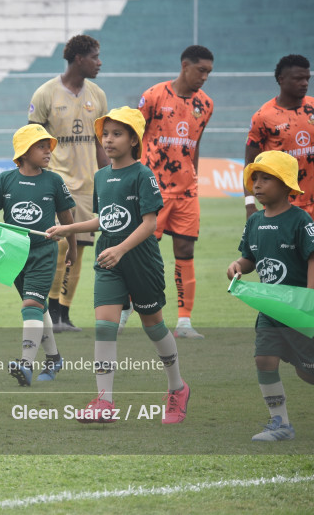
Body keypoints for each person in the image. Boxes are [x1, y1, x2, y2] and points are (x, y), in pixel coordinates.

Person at [46, 107, 190, 425]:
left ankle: (177, 389)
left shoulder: (142, 175)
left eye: (117, 134)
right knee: (104, 327)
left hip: (141, 261)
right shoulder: (101, 176)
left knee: (154, 328)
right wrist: (68, 228)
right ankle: (105, 402)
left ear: (134, 140)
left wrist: (122, 250)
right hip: (109, 260)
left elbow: (150, 223)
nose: (108, 140)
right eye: (105, 134)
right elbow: (105, 219)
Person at [0, 124, 76, 386]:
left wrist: (73, 250)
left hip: (44, 254)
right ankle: (53, 358)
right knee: (38, 307)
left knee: (30, 305)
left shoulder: (53, 181)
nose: (47, 151)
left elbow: (68, 220)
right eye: (40, 146)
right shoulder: (6, 179)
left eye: (48, 147)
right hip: (15, 253)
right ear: (24, 151)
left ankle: (25, 364)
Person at [125, 46, 214, 339]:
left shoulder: (206, 104)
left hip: (187, 191)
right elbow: (134, 136)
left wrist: (196, 176)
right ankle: (126, 309)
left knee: (186, 250)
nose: (204, 77)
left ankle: (185, 322)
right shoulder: (153, 96)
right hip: (154, 189)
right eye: (201, 70)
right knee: (143, 252)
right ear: (185, 65)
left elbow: (195, 143)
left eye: (208, 72)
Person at [227, 150, 314, 441]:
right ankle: (280, 423)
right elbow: (249, 258)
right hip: (270, 309)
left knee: (308, 373)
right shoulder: (254, 222)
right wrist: (238, 267)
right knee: (264, 359)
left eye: (267, 178)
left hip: (299, 311)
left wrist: (310, 300)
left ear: (287, 185)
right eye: (255, 178)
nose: (258, 185)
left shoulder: (301, 220)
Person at [28, 34, 109, 332]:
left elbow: (102, 143)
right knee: (59, 248)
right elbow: (31, 143)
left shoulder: (97, 95)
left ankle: (63, 314)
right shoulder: (46, 94)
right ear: (79, 59)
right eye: (95, 57)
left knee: (80, 251)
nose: (99, 62)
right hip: (56, 184)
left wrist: (108, 179)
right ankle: (49, 311)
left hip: (88, 187)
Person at [245, 54, 314, 220]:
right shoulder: (263, 116)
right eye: (298, 79)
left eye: (307, 78)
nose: (304, 83)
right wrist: (249, 204)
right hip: (283, 206)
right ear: (282, 79)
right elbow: (250, 164)